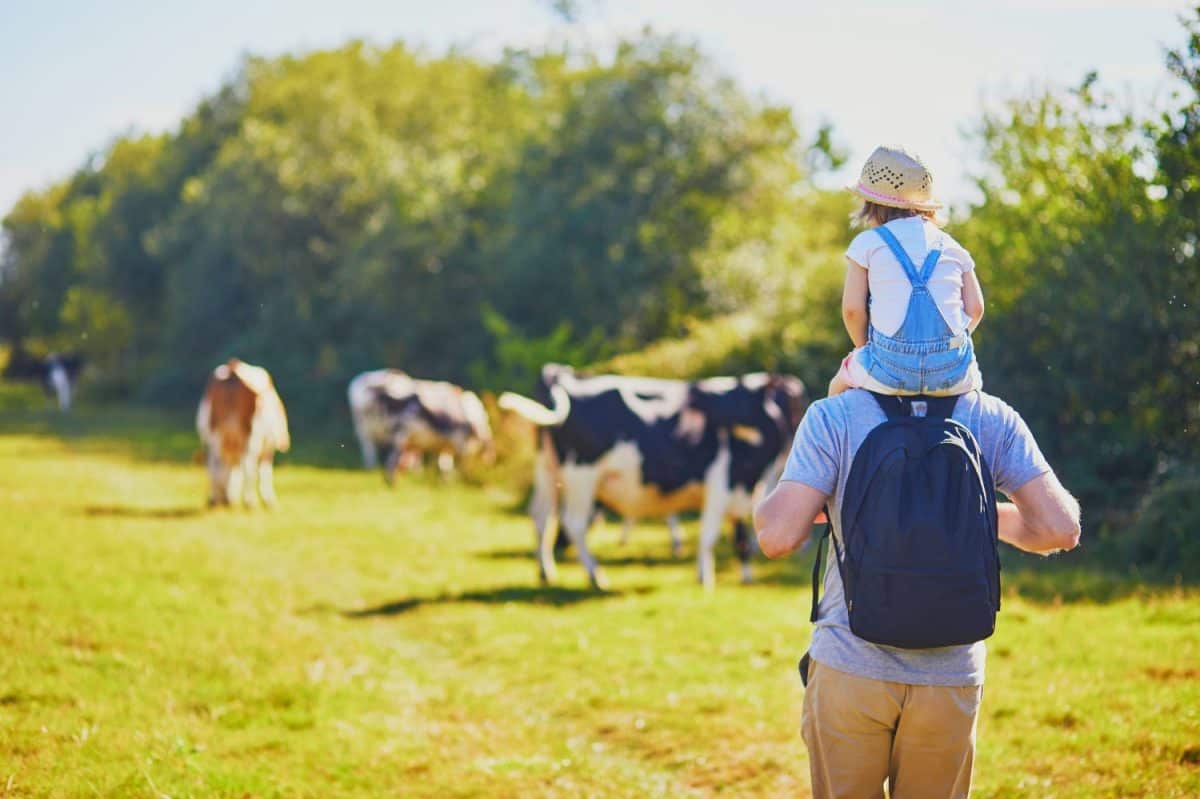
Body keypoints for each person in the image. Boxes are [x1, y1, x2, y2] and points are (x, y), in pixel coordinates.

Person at [753, 389, 1081, 799]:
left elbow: (777, 536)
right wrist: (966, 516)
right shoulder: (991, 416)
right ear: (969, 321)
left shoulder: (834, 414)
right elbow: (1061, 529)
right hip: (950, 675)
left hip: (850, 663)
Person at [828, 146, 985, 397]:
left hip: (889, 369)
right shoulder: (954, 248)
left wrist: (864, 348)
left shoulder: (866, 244)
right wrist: (944, 347)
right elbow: (976, 309)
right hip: (952, 372)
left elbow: (852, 310)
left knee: (835, 392)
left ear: (871, 204)